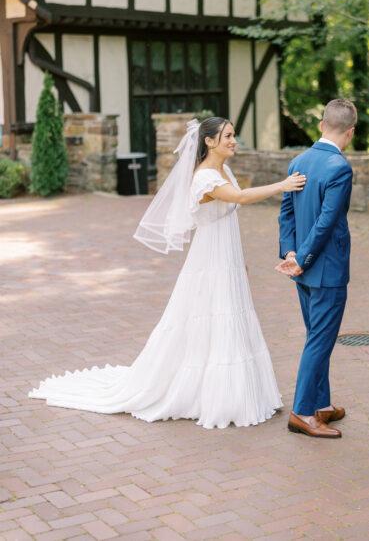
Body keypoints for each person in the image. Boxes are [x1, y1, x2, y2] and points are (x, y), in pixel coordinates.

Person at [28, 117, 306, 429]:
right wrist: (282, 186)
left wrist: (238, 261)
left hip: (225, 255)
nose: (233, 140)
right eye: (227, 136)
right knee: (211, 317)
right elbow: (239, 198)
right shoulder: (203, 178)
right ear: (209, 142)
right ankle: (214, 397)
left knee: (228, 317)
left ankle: (229, 393)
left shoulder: (222, 170)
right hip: (209, 258)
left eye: (232, 135)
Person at [276, 98, 356, 438]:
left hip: (302, 269)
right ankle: (303, 411)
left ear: (322, 125)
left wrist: (291, 253)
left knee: (317, 337)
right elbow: (326, 222)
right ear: (350, 132)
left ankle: (320, 404)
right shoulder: (340, 168)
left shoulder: (299, 160)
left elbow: (286, 214)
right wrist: (304, 257)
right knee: (320, 341)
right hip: (325, 271)